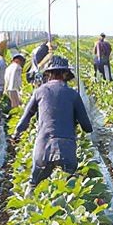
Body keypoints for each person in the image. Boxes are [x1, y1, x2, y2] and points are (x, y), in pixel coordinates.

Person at [13, 56, 93, 196]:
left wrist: (16, 134)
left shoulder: (39, 91)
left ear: (48, 74)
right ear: (65, 74)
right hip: (66, 149)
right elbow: (87, 126)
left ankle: (29, 206)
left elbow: (25, 118)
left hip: (43, 147)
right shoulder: (73, 94)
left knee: (34, 185)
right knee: (67, 191)